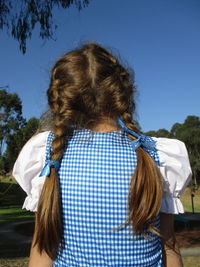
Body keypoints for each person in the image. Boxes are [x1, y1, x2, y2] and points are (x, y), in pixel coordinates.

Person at [13, 43, 192, 267]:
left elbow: (42, 252)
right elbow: (169, 248)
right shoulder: (158, 156)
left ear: (60, 99)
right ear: (123, 94)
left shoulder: (48, 155)